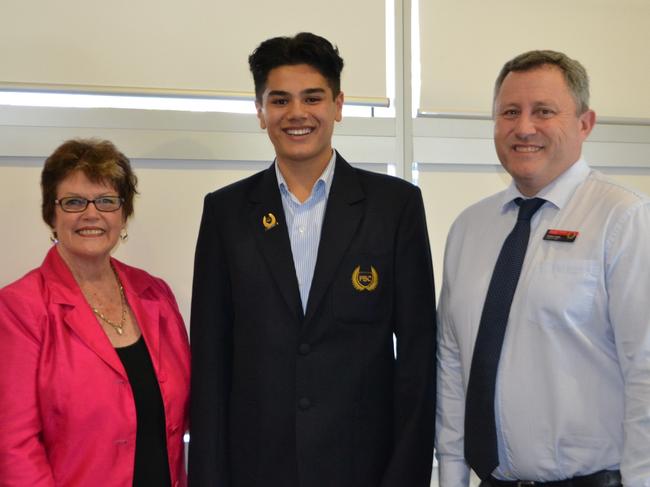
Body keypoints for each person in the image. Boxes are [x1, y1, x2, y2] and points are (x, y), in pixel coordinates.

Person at [189, 32, 436, 487]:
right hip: (257, 468)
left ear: (338, 105)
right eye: (279, 100)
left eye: (313, 98)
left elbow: (420, 359)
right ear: (261, 111)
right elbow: (209, 362)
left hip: (364, 468)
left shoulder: (394, 206)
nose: (297, 113)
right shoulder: (225, 212)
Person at [436, 50, 650, 487]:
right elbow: (453, 369)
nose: (524, 127)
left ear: (585, 123)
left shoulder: (624, 220)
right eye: (510, 112)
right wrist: (453, 479)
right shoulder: (469, 229)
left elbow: (645, 371)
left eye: (544, 111)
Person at [0, 139, 190, 487]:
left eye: (106, 201)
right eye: (74, 202)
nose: (91, 214)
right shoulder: (19, 308)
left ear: (123, 213)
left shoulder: (156, 295)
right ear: (51, 215)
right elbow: (13, 446)